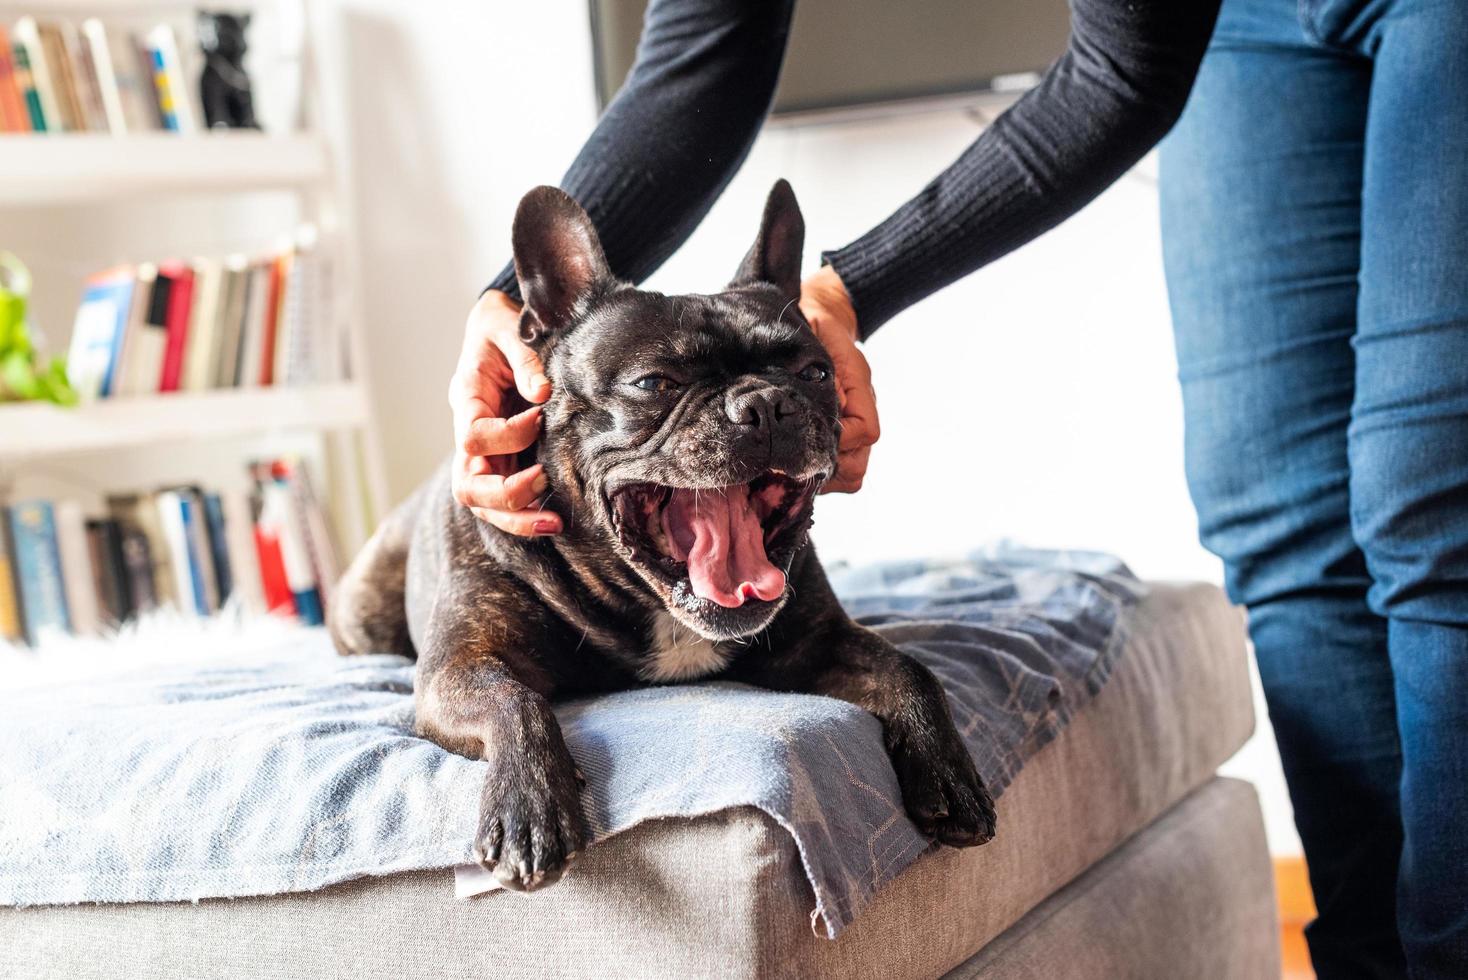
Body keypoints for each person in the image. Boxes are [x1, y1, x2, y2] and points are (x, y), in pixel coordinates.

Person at [448, 0, 1466, 975]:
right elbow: (703, 49)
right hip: (1238, 24)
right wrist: (504, 304)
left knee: (1432, 494)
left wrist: (847, 291)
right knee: (1277, 514)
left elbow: (1125, 67)